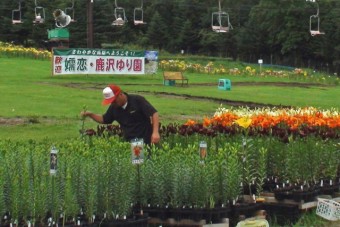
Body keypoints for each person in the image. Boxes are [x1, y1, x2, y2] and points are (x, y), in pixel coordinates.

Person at [81, 84, 160, 145]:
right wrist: (90, 114)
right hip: (128, 141)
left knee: (142, 163)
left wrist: (155, 133)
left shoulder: (137, 100)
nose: (113, 103)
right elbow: (104, 119)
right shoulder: (114, 107)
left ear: (121, 94)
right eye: (111, 102)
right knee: (134, 163)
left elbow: (154, 113)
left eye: (114, 101)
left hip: (145, 139)